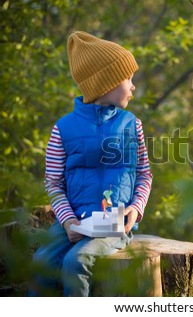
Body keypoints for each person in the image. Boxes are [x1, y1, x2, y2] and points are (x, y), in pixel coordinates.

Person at [28, 31, 152, 296]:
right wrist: (68, 222)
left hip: (114, 224)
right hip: (74, 221)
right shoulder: (63, 128)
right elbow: (53, 182)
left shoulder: (132, 125)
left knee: (77, 261)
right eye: (127, 78)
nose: (132, 86)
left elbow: (144, 174)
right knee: (41, 263)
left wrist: (135, 209)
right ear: (105, 83)